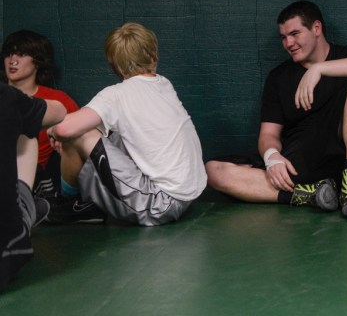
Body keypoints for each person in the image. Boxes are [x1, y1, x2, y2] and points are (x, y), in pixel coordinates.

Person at [205, 0, 347, 219]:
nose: (289, 43)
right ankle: (313, 195)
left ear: (316, 28)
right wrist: (272, 156)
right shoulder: (278, 77)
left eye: (295, 34)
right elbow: (269, 134)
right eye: (283, 37)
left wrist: (318, 69)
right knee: (213, 171)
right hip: (302, 168)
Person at [45, 23, 206, 226]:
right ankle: (84, 203)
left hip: (159, 204)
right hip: (188, 196)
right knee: (106, 132)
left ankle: (69, 203)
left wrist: (54, 131)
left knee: (79, 134)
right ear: (152, 57)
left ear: (113, 65)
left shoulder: (117, 95)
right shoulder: (163, 84)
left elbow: (63, 129)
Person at [1, 83, 67, 292]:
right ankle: (26, 205)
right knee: (28, 128)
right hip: (8, 248)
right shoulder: (8, 97)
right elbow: (59, 112)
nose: (13, 65)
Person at [2, 30, 80, 197]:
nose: (12, 60)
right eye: (9, 54)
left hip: (39, 177)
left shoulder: (58, 100)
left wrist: (67, 144)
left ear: (37, 62)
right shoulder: (3, 97)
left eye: (21, 54)